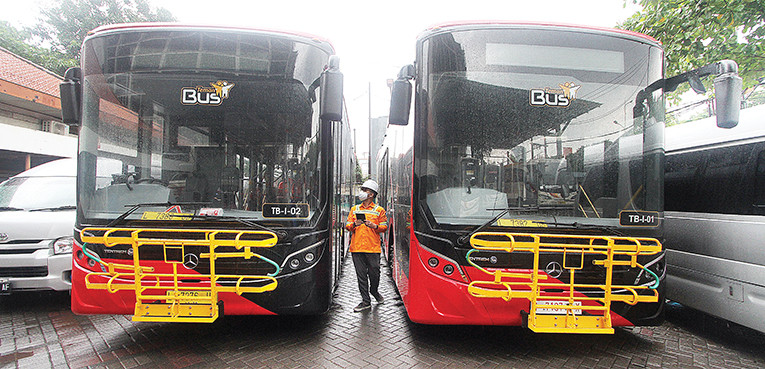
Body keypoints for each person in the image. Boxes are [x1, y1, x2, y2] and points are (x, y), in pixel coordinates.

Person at [345, 179, 388, 312]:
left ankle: (374, 291)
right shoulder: (355, 209)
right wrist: (354, 225)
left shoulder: (379, 210)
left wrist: (374, 226)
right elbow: (347, 225)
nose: (362, 192)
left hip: (373, 248)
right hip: (357, 247)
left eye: (365, 190)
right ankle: (365, 301)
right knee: (361, 275)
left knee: (375, 272)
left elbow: (384, 227)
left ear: (371, 194)